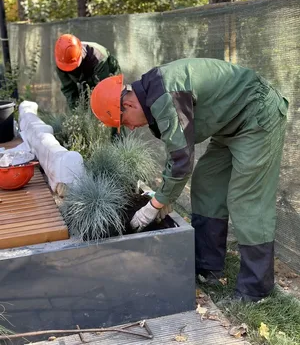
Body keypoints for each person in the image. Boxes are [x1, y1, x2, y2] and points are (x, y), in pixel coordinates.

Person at [90, 58, 288, 302]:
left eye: (125, 122)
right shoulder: (154, 92)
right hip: (230, 124)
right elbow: (178, 153)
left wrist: (155, 205)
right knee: (206, 183)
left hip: (257, 115)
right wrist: (164, 196)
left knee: (247, 200)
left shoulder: (165, 95)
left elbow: (181, 161)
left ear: (129, 103)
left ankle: (256, 290)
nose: (130, 129)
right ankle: (208, 267)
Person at [54, 33, 122, 138]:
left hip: (107, 79)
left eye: (72, 67)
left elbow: (105, 92)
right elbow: (69, 91)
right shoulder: (61, 62)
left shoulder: (98, 56)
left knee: (113, 109)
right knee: (82, 111)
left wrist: (101, 117)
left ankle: (117, 139)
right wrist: (77, 115)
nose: (70, 70)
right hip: (84, 81)